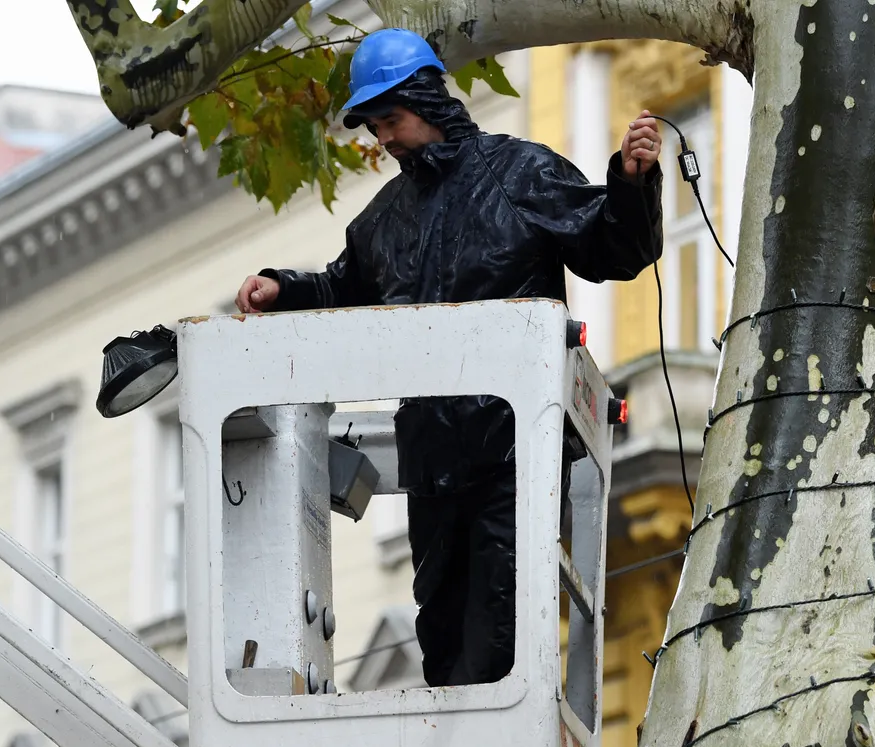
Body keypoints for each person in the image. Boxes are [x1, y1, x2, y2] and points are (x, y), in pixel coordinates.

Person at [234, 28, 664, 690]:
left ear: (428, 101)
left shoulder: (520, 172)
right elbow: (341, 292)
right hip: (434, 465)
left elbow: (613, 247)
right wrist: (283, 289)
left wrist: (633, 183)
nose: (384, 139)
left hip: (514, 454)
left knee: (498, 629)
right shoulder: (382, 221)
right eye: (375, 127)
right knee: (441, 637)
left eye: (391, 120)